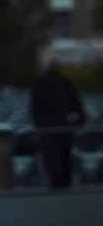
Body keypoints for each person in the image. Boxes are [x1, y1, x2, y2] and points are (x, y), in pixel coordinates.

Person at [29, 61, 86, 189]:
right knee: (63, 153)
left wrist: (38, 126)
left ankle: (57, 182)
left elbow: (34, 108)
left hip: (48, 127)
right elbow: (78, 106)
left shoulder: (39, 84)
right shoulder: (66, 82)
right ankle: (64, 181)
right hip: (63, 126)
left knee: (54, 155)